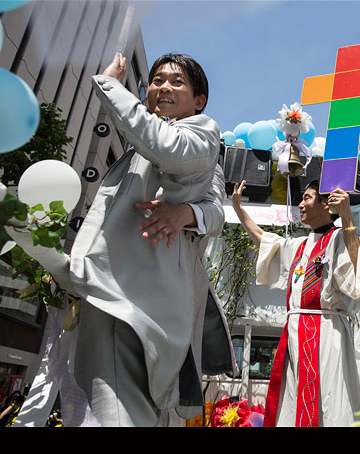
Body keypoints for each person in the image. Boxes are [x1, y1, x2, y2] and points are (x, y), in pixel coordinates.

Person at [7, 52, 235, 426]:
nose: (163, 86)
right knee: (119, 406)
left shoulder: (199, 134)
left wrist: (187, 214)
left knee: (120, 405)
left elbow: (213, 210)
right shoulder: (137, 150)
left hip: (141, 297)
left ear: (199, 101)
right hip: (114, 289)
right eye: (157, 80)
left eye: (177, 82)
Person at [231, 179, 360, 427]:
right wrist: (238, 210)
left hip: (328, 332)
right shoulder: (299, 246)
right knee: (292, 399)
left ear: (325, 203)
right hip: (296, 333)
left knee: (330, 399)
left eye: (307, 198)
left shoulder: (340, 238)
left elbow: (358, 276)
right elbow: (265, 242)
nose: (300, 204)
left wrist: (347, 216)